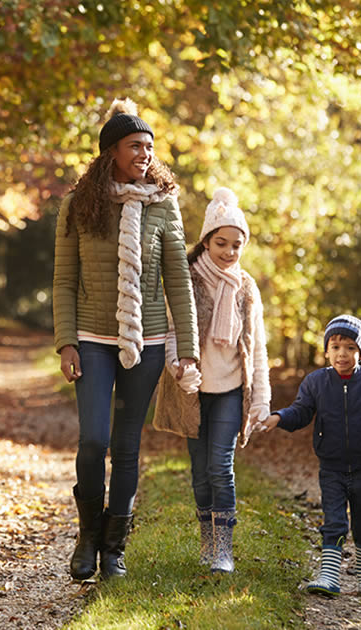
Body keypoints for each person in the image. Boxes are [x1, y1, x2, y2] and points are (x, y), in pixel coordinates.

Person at [53, 97, 199, 581]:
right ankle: (88, 536)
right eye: (136, 145)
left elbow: (177, 278)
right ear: (111, 151)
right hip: (92, 338)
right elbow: (63, 279)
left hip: (149, 340)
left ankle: (114, 549)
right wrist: (66, 341)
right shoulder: (78, 205)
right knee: (94, 440)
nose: (145, 154)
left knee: (128, 445)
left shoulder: (163, 204)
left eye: (150, 146)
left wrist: (189, 349)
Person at [151, 187, 270, 574]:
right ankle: (207, 539)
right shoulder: (187, 280)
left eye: (237, 245)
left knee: (220, 467)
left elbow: (257, 348)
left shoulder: (246, 288)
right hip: (193, 390)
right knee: (199, 471)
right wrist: (178, 367)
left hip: (231, 391)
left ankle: (224, 550)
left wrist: (260, 402)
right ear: (206, 240)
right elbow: (171, 331)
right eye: (222, 243)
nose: (230, 252)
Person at [255, 315, 361, 595]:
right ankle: (329, 575)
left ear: (360, 353)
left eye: (350, 348)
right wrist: (278, 417)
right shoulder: (316, 382)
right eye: (336, 347)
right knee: (334, 520)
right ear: (326, 351)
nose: (343, 354)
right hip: (331, 466)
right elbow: (301, 411)